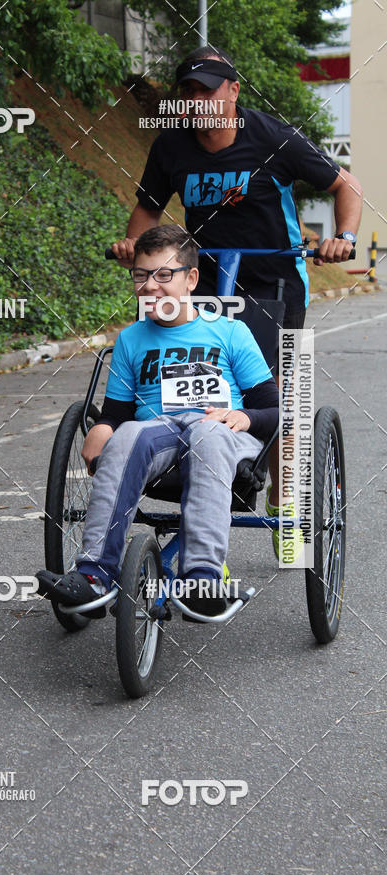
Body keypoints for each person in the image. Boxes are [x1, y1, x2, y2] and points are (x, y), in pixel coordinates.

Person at [110, 46, 362, 562]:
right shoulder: (172, 146)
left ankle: (288, 508)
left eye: (208, 88)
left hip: (276, 284)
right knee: (192, 378)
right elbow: (147, 211)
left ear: (232, 91)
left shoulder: (272, 138)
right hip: (199, 282)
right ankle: (199, 466)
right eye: (189, 90)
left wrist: (345, 236)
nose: (197, 99)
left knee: (281, 398)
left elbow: (345, 185)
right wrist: (134, 249)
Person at [37, 225, 279, 619]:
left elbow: (275, 409)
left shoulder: (231, 332)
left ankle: (201, 576)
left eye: (164, 275)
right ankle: (95, 574)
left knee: (205, 432)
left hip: (222, 435)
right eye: (141, 275)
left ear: (191, 279)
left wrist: (243, 416)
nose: (150, 286)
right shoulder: (132, 339)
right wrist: (102, 428)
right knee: (129, 431)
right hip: (159, 436)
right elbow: (116, 413)